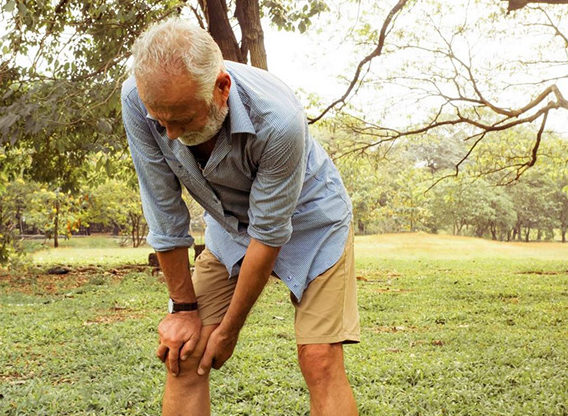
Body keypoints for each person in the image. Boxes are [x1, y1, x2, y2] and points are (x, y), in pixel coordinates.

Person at [122, 17, 360, 416]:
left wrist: (230, 330)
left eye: (184, 119)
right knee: (185, 352)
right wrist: (183, 311)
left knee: (319, 358)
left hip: (313, 220)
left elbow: (268, 235)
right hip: (230, 223)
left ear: (221, 88)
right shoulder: (138, 98)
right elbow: (164, 211)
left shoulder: (279, 119)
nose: (173, 136)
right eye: (161, 121)